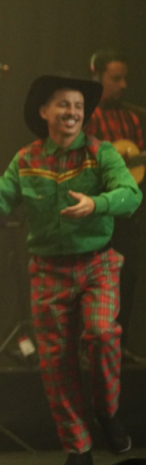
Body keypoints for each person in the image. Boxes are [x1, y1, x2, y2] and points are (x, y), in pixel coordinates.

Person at [0, 74, 139, 465]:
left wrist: (96, 204)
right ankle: (78, 450)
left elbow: (131, 195)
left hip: (97, 264)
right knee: (55, 362)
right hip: (48, 269)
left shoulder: (100, 154)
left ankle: (106, 412)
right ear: (45, 111)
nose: (73, 113)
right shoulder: (27, 158)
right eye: (64, 105)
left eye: (79, 107)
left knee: (101, 334)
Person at [84, 50, 145, 363]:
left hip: (124, 215)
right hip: (93, 215)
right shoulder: (86, 116)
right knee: (93, 284)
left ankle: (118, 349)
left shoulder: (131, 119)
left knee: (128, 277)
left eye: (125, 79)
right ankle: (89, 350)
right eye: (115, 78)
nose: (123, 86)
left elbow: (137, 167)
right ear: (99, 78)